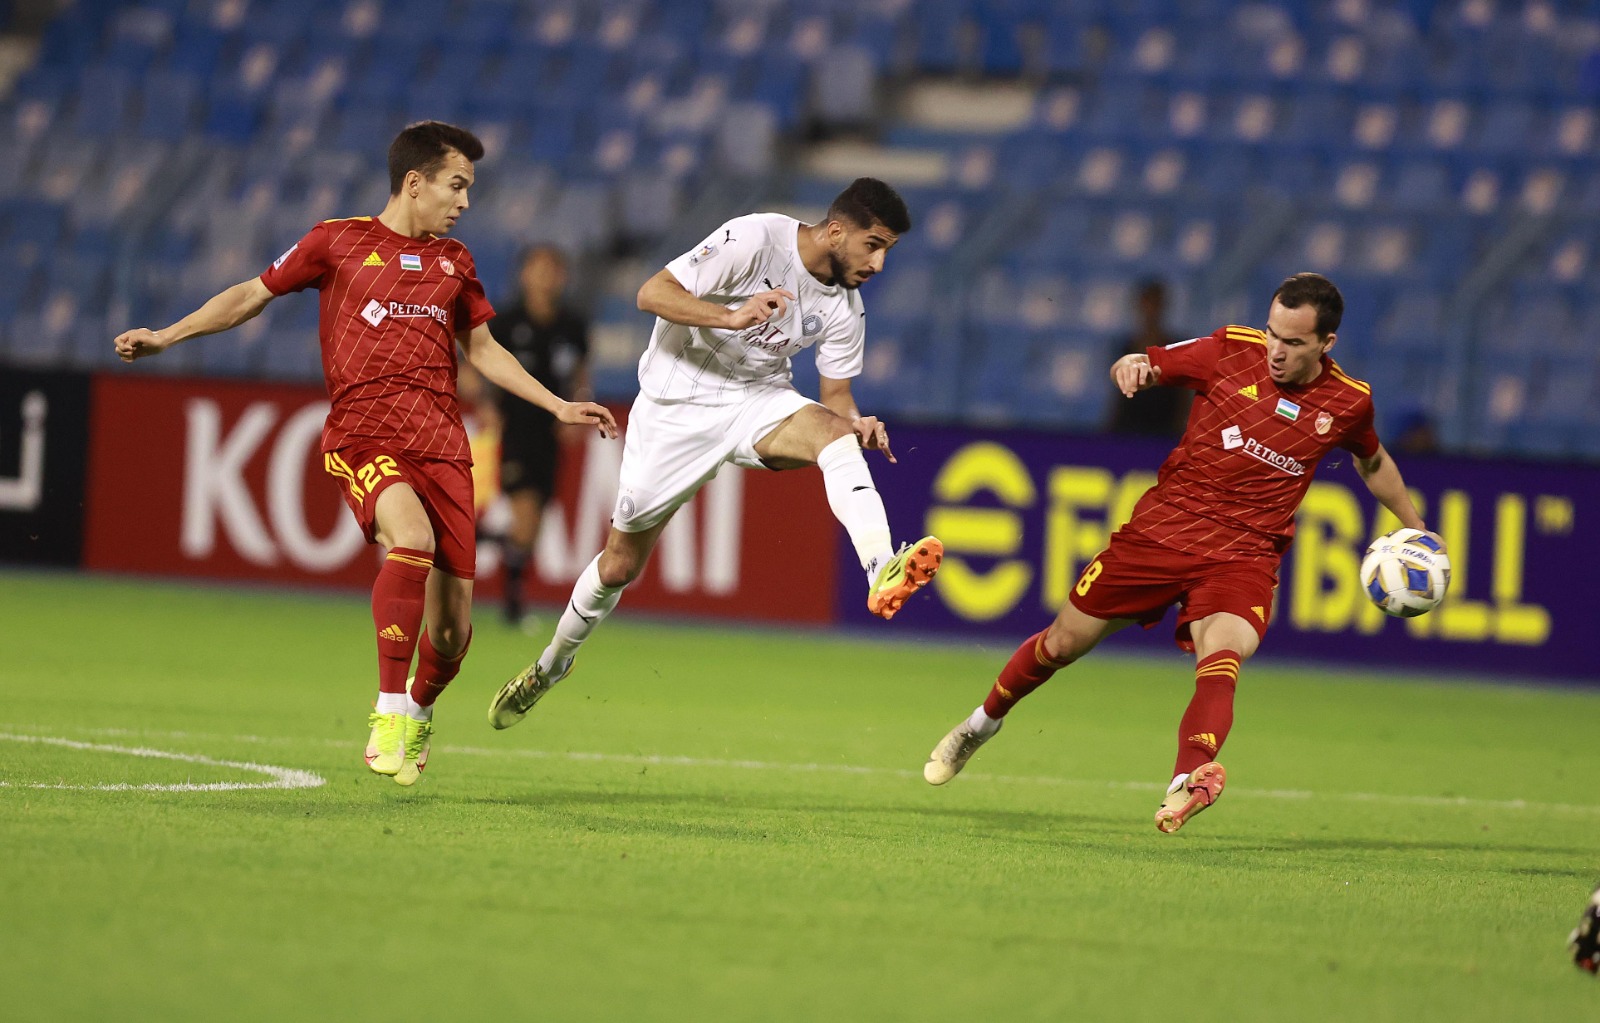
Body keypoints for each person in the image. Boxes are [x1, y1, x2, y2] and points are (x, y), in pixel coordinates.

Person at [112, 121, 617, 786]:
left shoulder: (454, 262)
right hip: (365, 435)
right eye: (456, 185)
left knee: (450, 637)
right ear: (415, 183)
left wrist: (556, 404)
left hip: (443, 447)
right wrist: (169, 335)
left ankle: (417, 707)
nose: (465, 201)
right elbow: (251, 294)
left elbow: (485, 350)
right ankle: (385, 711)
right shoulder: (337, 241)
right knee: (409, 538)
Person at [922, 272, 1446, 833]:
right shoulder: (1229, 350)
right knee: (1061, 643)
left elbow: (1372, 462)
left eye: (1293, 343)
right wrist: (1133, 366)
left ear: (1326, 344)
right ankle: (980, 725)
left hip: (1245, 553)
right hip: (1162, 533)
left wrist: (1416, 527)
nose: (1275, 351)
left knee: (1223, 655)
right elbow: (1148, 363)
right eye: (1273, 334)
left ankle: (1187, 781)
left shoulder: (1347, 402)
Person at [487, 177, 943, 729]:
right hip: (675, 402)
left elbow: (836, 399)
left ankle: (879, 566)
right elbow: (651, 294)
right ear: (837, 230)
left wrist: (856, 421)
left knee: (835, 435)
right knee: (619, 565)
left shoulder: (847, 308)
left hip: (757, 400)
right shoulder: (755, 239)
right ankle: (551, 665)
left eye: (887, 250)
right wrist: (730, 315)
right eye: (874, 246)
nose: (879, 264)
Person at [487, 244, 593, 627]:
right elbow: (475, 368)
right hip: (514, 429)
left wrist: (579, 409)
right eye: (538, 268)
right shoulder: (504, 322)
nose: (546, 276)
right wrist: (485, 405)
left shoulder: (572, 326)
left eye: (553, 269)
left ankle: (487, 543)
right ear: (524, 275)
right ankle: (512, 605)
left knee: (534, 525)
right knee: (526, 514)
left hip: (549, 434)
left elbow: (581, 375)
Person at [1105, 277, 1191, 438]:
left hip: (1163, 431)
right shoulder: (1127, 348)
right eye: (1147, 302)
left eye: (1155, 303)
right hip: (1128, 429)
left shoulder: (1175, 348)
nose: (1151, 309)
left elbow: (1182, 398)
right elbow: (1118, 396)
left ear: (1163, 306)